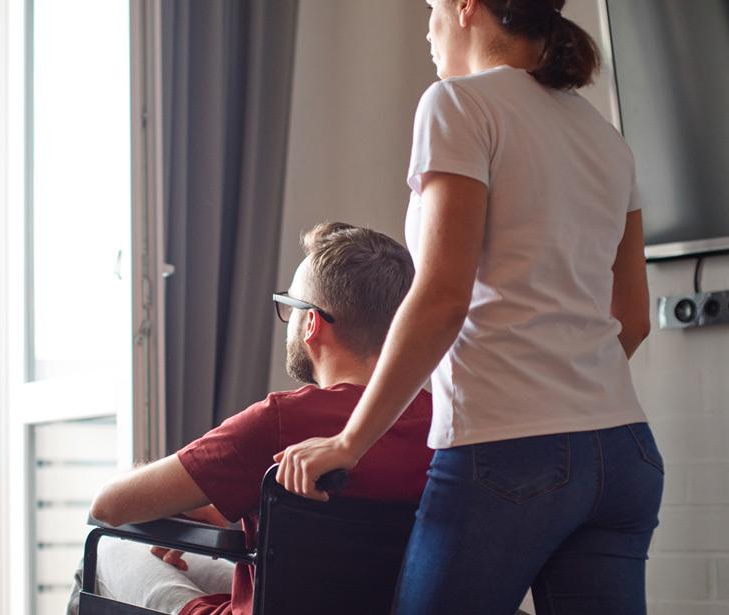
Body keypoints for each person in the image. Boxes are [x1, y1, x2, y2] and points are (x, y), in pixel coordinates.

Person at [274, 1, 662, 614]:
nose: (426, 26)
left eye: (430, 7)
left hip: (507, 449)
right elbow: (634, 315)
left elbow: (441, 296)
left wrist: (349, 442)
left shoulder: (458, 104)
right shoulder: (606, 139)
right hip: (623, 454)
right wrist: (568, 386)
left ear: (465, 6)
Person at [69, 222, 434, 615]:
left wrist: (180, 500)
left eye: (290, 306)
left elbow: (108, 505)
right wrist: (232, 513)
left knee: (108, 544)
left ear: (311, 323)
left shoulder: (281, 420)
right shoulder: (440, 426)